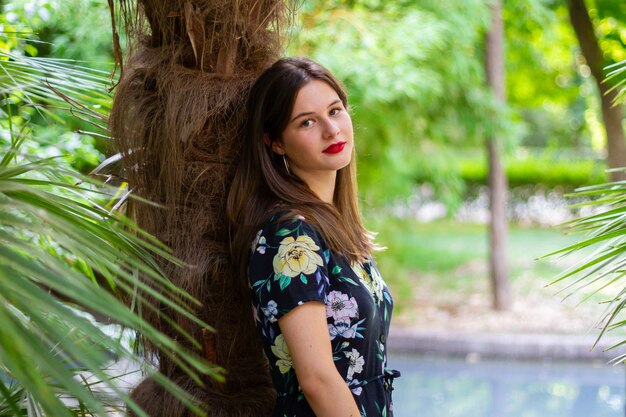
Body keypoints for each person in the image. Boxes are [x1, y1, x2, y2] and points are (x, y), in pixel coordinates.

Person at [227, 57, 398, 417]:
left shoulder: (333, 228)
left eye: (335, 111)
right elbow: (317, 380)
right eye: (307, 121)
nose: (331, 130)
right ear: (275, 143)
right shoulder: (290, 238)